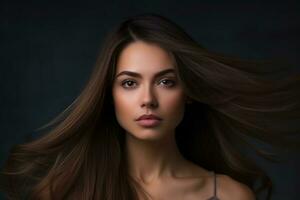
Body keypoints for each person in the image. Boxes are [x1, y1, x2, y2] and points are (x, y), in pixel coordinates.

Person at [1, 13, 299, 200]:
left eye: (166, 82)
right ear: (109, 94)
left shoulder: (229, 195)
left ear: (189, 92)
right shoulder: (64, 192)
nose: (148, 99)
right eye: (129, 83)